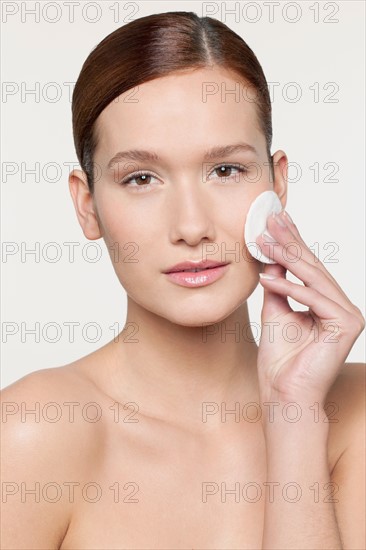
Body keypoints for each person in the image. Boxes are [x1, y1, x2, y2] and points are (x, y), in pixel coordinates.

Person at [1, 11, 365, 549]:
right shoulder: (34, 432)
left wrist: (294, 416)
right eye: (141, 178)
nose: (191, 227)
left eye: (226, 170)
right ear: (88, 205)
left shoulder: (353, 412)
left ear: (277, 183)